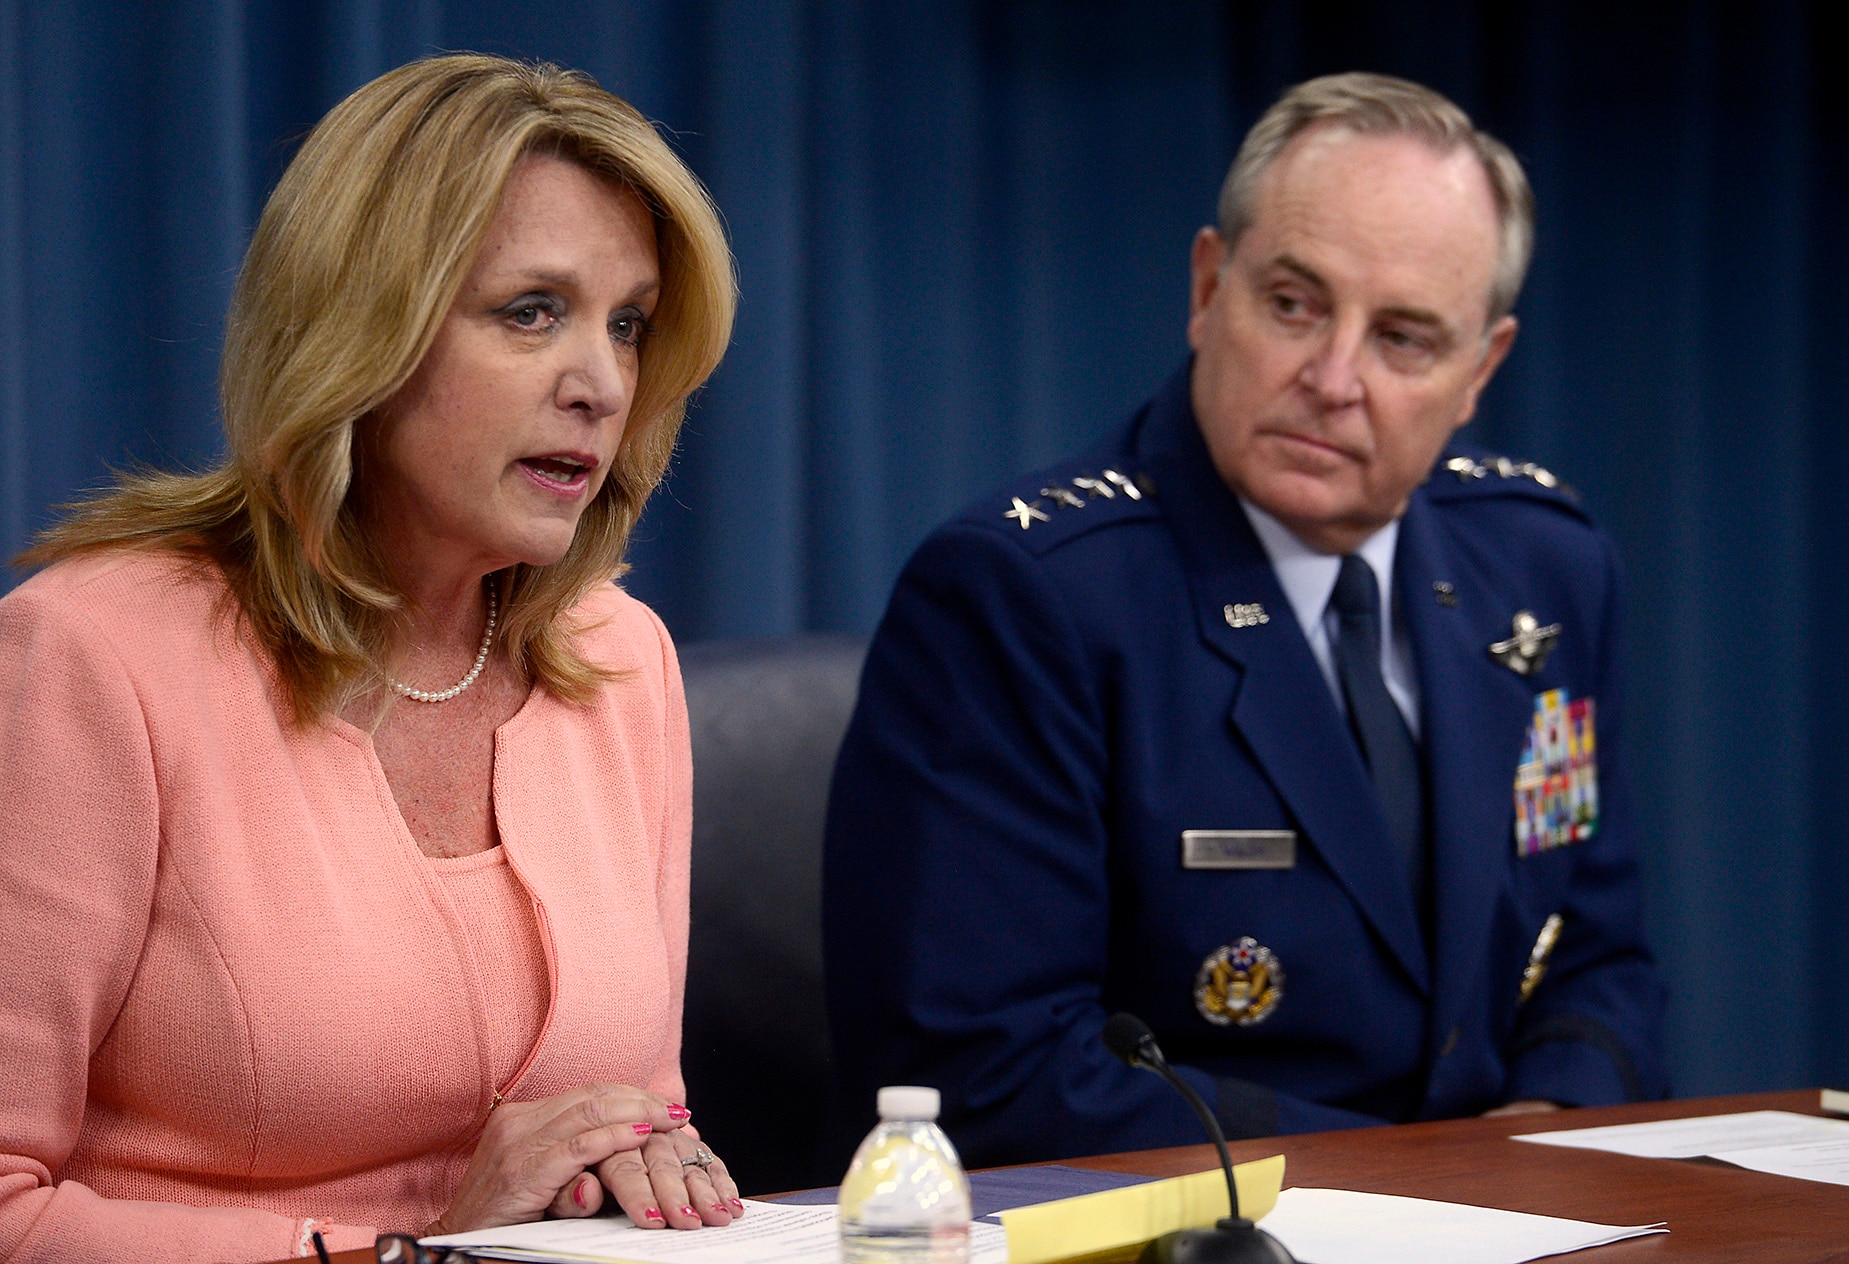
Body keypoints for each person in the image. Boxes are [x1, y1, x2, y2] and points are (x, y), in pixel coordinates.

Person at [822, 72, 1669, 1167]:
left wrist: (1543, 1127)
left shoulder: (1544, 570)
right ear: (1208, 285)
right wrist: (1433, 1183)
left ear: (1479, 369)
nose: (1331, 377)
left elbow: (1594, 958)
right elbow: (985, 1074)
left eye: (1403, 338)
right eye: (1292, 303)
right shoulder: (1027, 597)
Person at [0, 55, 745, 1262]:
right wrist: (412, 1253)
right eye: (530, 312)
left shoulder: (619, 660)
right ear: (360, 329)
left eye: (629, 326)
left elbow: (645, 1118)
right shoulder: (94, 657)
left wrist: (654, 1171)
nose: (601, 384)